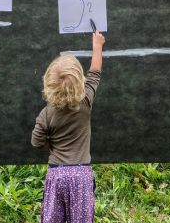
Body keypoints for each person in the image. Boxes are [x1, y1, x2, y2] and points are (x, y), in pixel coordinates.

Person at [31, 31, 106, 223]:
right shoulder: (85, 102)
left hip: (57, 173)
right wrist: (97, 45)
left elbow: (36, 141)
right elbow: (95, 73)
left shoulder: (46, 113)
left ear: (49, 84)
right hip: (81, 175)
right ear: (80, 82)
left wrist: (52, 147)